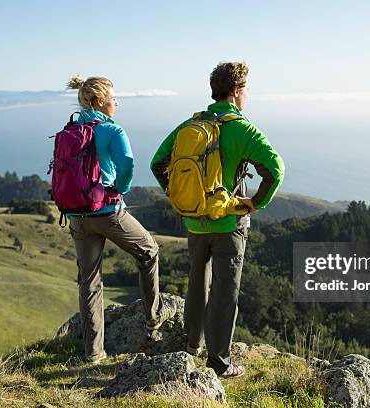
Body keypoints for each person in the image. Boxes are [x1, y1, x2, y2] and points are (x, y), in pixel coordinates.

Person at [150, 62, 284, 378]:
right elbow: (275, 169)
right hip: (228, 223)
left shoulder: (189, 125)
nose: (247, 95)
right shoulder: (241, 128)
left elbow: (158, 163)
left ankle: (191, 344)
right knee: (225, 289)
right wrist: (254, 203)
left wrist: (181, 197)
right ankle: (219, 362)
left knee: (197, 279)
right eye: (246, 89)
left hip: (195, 221)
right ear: (237, 91)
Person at [65, 75, 174, 364]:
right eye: (114, 98)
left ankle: (93, 352)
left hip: (76, 214)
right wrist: (119, 190)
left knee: (89, 280)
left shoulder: (71, 129)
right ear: (99, 101)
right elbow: (127, 165)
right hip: (107, 211)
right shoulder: (112, 130)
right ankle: (153, 318)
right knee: (149, 251)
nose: (117, 102)